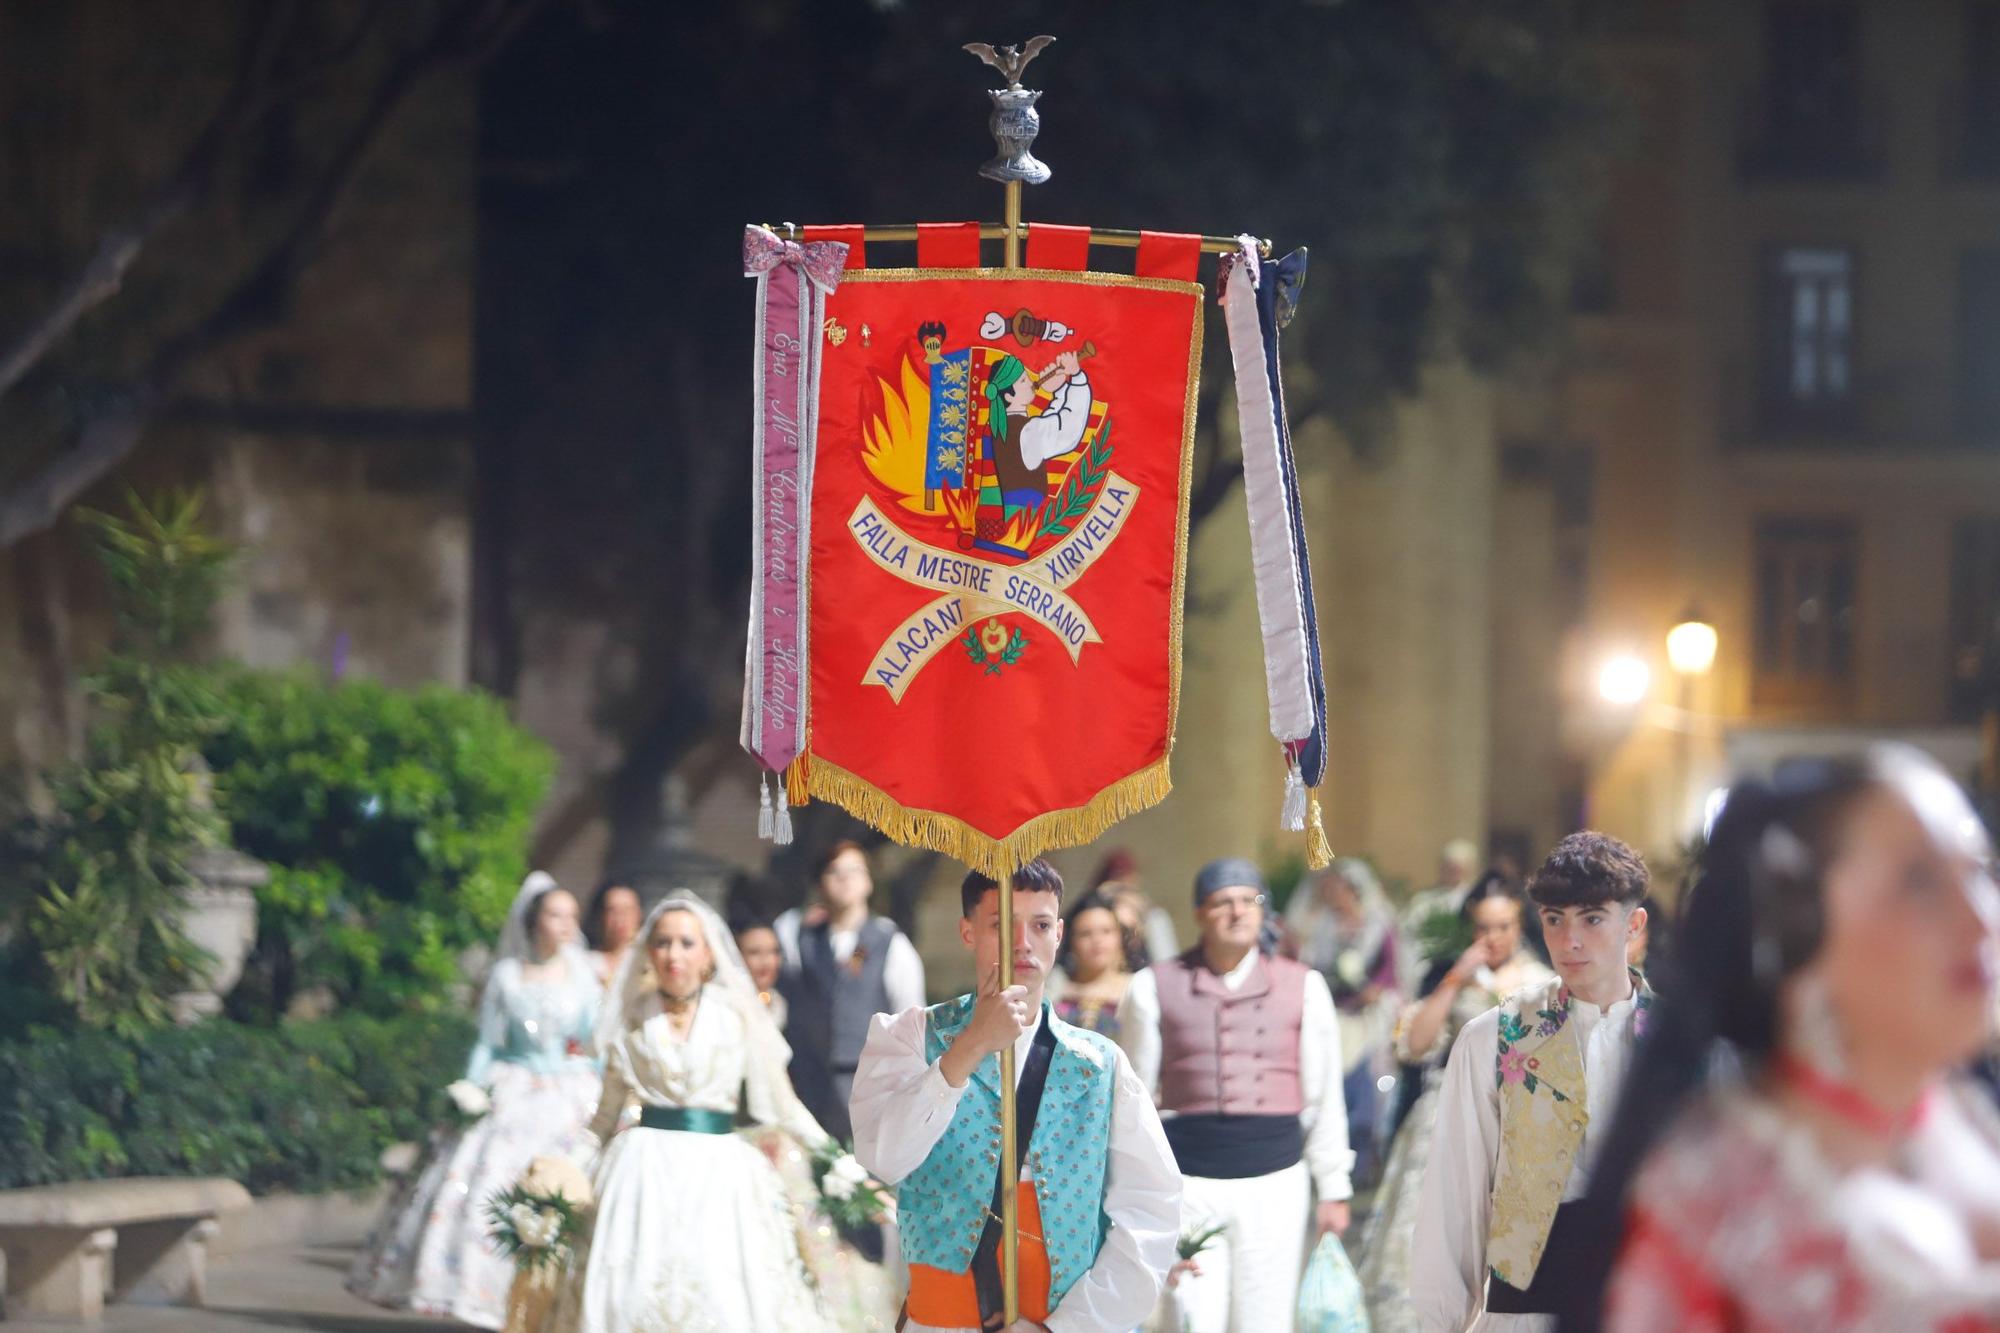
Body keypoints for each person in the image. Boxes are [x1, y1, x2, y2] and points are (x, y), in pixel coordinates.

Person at [1563, 747, 2000, 1332]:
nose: (1981, 920)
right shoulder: (1717, 1204)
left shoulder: (1971, 1125)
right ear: (1794, 930)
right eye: (1918, 882)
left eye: (1978, 870)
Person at [850, 858, 1180, 1333]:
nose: (1023, 942)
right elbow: (884, 1157)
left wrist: (1066, 1326)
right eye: (1003, 924)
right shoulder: (908, 1036)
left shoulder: (1099, 1064)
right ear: (969, 932)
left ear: (1060, 933)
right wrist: (969, 1047)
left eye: (1041, 925)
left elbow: (1151, 1206)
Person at [554, 892, 839, 1332]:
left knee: (727, 1299)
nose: (674, 954)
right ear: (648, 951)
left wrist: (841, 1165)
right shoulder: (630, 1016)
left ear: (709, 953)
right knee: (629, 1297)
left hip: (720, 1179)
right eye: (663, 942)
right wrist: (559, 1178)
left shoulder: (737, 1016)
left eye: (687, 943)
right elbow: (603, 1120)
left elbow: (783, 1106)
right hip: (640, 1178)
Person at [1408, 834, 1653, 1331]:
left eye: (1592, 918)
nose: (1570, 941)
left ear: (1634, 923)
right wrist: (1441, 1322)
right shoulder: (1493, 1039)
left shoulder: (1681, 1047)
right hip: (1526, 1309)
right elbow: (1456, 1196)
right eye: (1554, 919)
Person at [350, 872, 603, 1330]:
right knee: (487, 1187)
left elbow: (594, 1041)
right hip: (513, 1087)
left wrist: (605, 1097)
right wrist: (472, 1090)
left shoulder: (583, 975)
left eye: (571, 915)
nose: (565, 924)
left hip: (569, 1091)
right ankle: (481, 1293)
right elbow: (488, 1042)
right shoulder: (506, 975)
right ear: (533, 921)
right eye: (554, 914)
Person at [1122, 857, 1354, 1333]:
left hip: (1277, 1181)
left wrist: (1334, 1188)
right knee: (1189, 1317)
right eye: (1223, 902)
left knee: (1265, 1320)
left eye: (1249, 900)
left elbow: (1324, 1094)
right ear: (1200, 913)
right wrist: (1134, 1190)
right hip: (1189, 1184)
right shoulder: (1151, 987)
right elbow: (1134, 1101)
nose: (1237, 911)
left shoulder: (1305, 985)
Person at [1357, 875, 1555, 1333]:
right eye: (1484, 927)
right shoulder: (1451, 973)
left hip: (1517, 1118)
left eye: (1503, 926)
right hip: (1447, 1108)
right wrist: (1455, 980)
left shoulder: (1543, 980)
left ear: (1519, 924)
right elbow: (1414, 1045)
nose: (1494, 937)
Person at [777, 839, 927, 1142]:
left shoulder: (888, 941)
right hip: (809, 1082)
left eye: (854, 870)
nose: (844, 878)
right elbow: (780, 931)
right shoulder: (800, 937)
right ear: (820, 883)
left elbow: (911, 1017)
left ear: (868, 882)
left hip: (869, 1085)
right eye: (834, 871)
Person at [1286, 857, 1403, 1183]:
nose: (1332, 895)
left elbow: (1390, 967)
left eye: (1338, 888)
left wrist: (1376, 989)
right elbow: (1310, 966)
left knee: (1368, 1088)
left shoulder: (1378, 924)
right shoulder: (1321, 925)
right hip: (1333, 1016)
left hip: (1367, 1020)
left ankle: (1363, 1158)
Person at [1398, 838, 1482, 994]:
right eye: (1447, 866)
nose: (1450, 871)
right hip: (1420, 966)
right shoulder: (1422, 900)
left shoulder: (1472, 900)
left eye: (1456, 868)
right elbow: (1406, 933)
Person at [1050, 889, 1135, 1040]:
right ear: (1070, 941)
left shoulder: (1137, 988)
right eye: (1085, 933)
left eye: (1106, 931)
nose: (1097, 940)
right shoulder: (1054, 990)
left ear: (1121, 937)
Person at [1092, 848, 1179, 968]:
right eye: (1118, 880)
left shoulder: (1153, 916)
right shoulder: (1097, 913)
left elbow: (1167, 961)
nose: (1123, 884)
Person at [583, 879, 643, 986]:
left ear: (638, 914)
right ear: (601, 916)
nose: (620, 919)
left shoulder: (649, 962)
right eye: (612, 911)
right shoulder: (585, 963)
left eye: (627, 910)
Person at [735, 918, 789, 1029]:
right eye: (754, 952)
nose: (766, 962)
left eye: (773, 951)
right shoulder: (726, 1004)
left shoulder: (780, 1002)